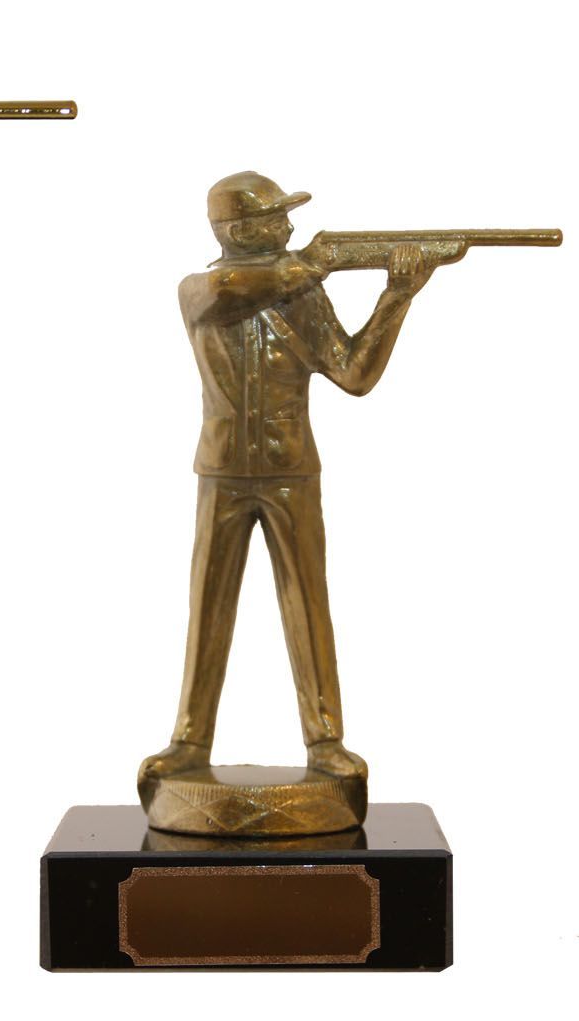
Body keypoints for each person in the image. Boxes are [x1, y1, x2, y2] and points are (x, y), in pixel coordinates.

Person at [139, 171, 436, 784]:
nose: (289, 227)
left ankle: (325, 742)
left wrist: (397, 296)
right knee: (208, 607)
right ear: (236, 231)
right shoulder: (201, 290)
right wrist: (313, 264)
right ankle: (189, 742)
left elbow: (354, 375)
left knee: (308, 604)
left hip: (290, 470)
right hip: (221, 471)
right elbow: (228, 289)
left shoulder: (302, 294)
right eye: (275, 219)